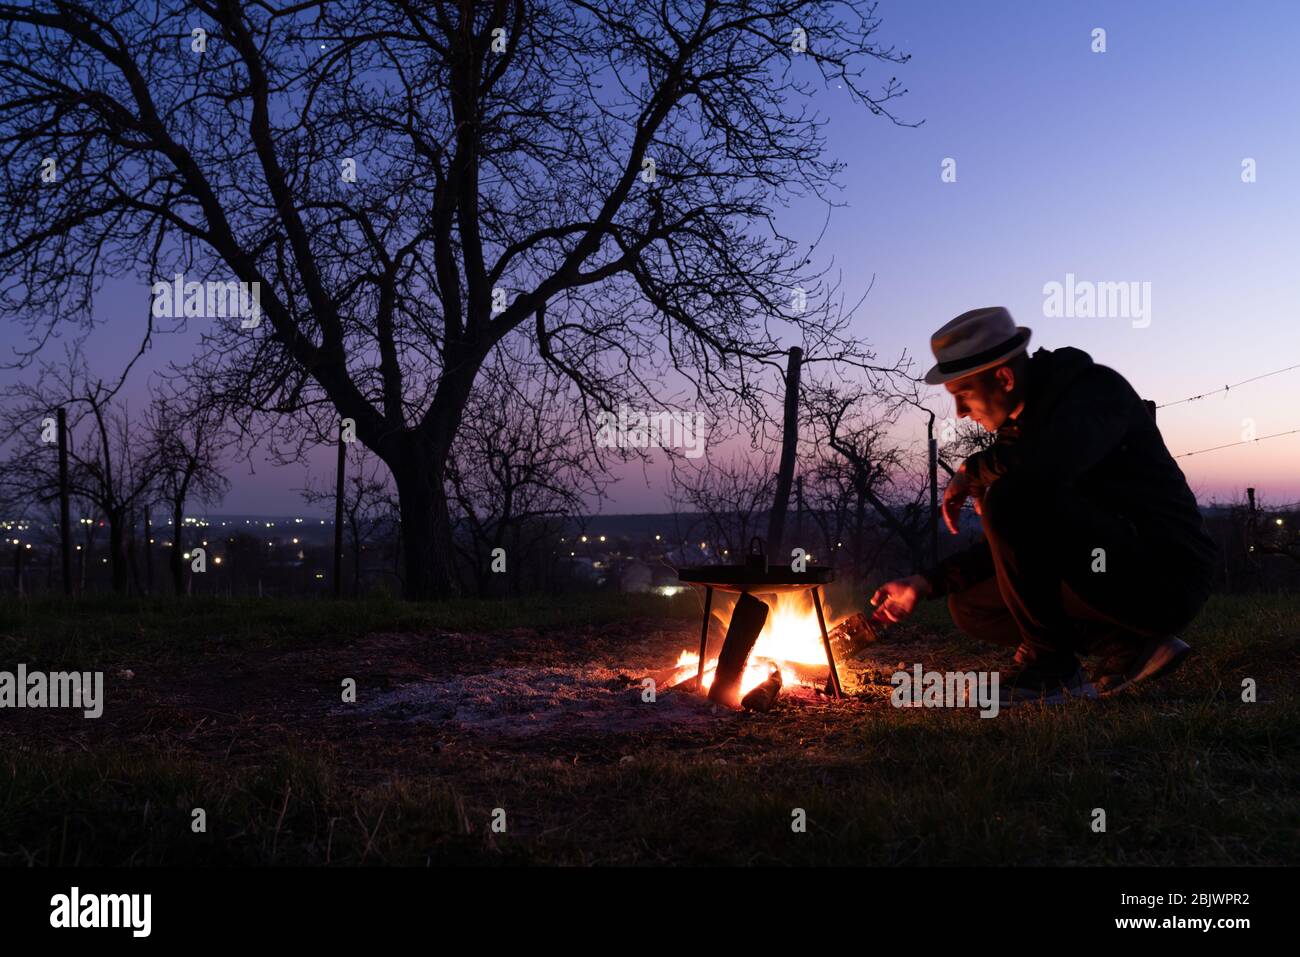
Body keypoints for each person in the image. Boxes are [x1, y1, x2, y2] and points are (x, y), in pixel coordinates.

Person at [871, 306, 1217, 706]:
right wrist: (925, 582)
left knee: (1010, 494)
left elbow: (1043, 468)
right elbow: (1021, 545)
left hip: (1165, 575)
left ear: (1002, 377)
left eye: (963, 394)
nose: (961, 413)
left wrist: (973, 470)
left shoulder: (1092, 392)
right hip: (1102, 567)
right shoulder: (1018, 439)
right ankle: (1127, 647)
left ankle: (1053, 671)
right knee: (970, 606)